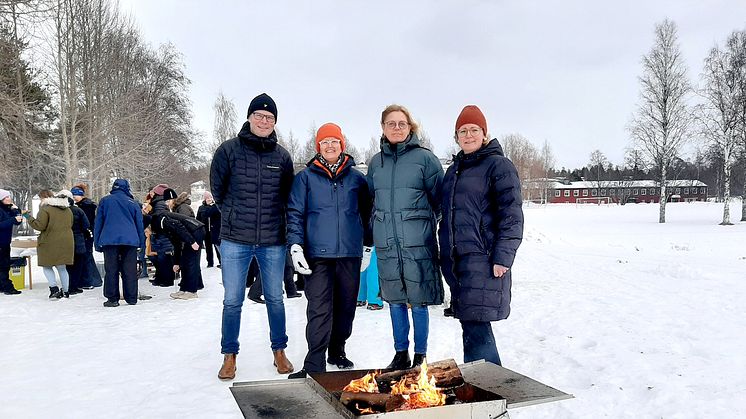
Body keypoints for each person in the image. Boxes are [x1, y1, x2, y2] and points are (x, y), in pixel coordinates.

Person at [211, 93, 295, 379]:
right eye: (259, 116)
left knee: (275, 297)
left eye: (269, 117)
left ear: (274, 123)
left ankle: (279, 351)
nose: (263, 121)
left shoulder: (282, 156)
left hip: (273, 240)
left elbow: (287, 196)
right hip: (236, 240)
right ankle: (229, 355)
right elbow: (219, 193)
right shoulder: (228, 151)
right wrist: (234, 216)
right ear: (249, 118)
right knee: (233, 300)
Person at [285, 123, 373, 379]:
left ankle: (337, 350)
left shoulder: (357, 179)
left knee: (346, 307)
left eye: (335, 141)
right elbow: (295, 213)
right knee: (319, 309)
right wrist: (296, 246)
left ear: (342, 145)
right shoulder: (305, 178)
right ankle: (314, 364)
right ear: (318, 147)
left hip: (349, 254)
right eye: (325, 142)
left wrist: (367, 245)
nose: (330, 145)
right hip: (317, 256)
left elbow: (368, 215)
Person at [439, 105, 524, 366]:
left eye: (474, 130)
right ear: (456, 136)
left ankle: (490, 392)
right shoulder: (454, 171)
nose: (468, 135)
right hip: (458, 263)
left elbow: (511, 216)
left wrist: (503, 257)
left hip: (484, 260)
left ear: (484, 134)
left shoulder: (498, 166)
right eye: (462, 131)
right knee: (471, 325)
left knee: (476, 327)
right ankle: (482, 387)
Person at [367, 104, 444, 370]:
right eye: (391, 123)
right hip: (387, 244)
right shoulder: (377, 162)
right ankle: (401, 353)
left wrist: (421, 224)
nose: (396, 128)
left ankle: (420, 355)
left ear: (410, 127)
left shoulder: (425, 159)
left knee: (418, 299)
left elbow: (440, 200)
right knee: (395, 299)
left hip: (417, 243)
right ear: (383, 128)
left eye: (402, 123)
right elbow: (371, 200)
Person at [94, 179, 146, 307]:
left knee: (111, 270)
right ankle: (131, 297)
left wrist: (97, 242)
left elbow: (98, 223)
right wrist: (142, 244)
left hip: (109, 240)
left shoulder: (105, 201)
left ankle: (112, 298)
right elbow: (140, 226)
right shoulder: (133, 203)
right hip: (130, 241)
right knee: (129, 270)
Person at [148, 188, 205, 300]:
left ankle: (192, 291)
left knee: (191, 261)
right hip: (189, 235)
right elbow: (176, 241)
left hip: (195, 232)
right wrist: (176, 262)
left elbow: (179, 227)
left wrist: (192, 241)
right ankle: (184, 289)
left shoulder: (162, 219)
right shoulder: (162, 221)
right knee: (184, 261)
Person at [23, 189, 74, 298]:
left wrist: (28, 217)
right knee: (62, 267)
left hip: (49, 241)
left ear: (43, 198)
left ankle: (54, 289)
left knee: (47, 265)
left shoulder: (45, 209)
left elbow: (39, 226)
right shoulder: (67, 209)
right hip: (66, 241)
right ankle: (66, 291)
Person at [71, 184, 102, 288]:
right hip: (88, 233)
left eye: (75, 195)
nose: (74, 197)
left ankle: (91, 280)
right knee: (87, 256)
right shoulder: (85, 205)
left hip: (87, 234)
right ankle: (94, 279)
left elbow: (86, 222)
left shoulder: (85, 206)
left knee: (87, 256)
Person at [61, 189, 90, 295]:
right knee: (78, 265)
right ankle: (74, 286)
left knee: (68, 265)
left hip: (64, 240)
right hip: (79, 240)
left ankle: (67, 285)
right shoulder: (78, 210)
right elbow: (86, 224)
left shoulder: (60, 211)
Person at [0, 188, 23, 295]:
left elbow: (17, 221)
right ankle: (7, 287)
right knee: (3, 265)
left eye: (9, 196)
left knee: (5, 265)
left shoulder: (7, 208)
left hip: (5, 241)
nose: (10, 198)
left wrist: (16, 210)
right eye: (7, 197)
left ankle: (3, 286)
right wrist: (13, 220)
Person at [197, 191, 221, 268]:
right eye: (207, 198)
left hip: (215, 230)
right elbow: (198, 219)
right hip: (206, 230)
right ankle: (210, 262)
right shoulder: (201, 208)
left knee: (217, 246)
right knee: (208, 248)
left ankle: (221, 261)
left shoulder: (216, 206)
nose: (209, 199)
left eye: (210, 197)